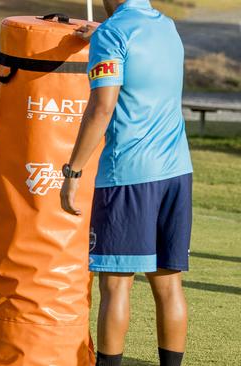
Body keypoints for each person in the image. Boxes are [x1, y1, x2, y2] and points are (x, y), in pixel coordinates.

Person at [59, 1, 193, 366]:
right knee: (168, 285)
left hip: (128, 174)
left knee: (116, 284)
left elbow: (102, 108)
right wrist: (99, 35)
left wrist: (73, 172)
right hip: (177, 170)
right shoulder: (166, 26)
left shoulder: (112, 34)